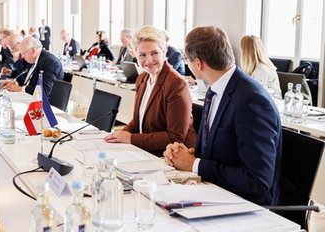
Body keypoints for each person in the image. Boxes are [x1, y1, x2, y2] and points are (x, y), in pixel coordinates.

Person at [163, 26, 281, 206]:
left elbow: (257, 181)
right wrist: (186, 155)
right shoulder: (216, 90)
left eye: (186, 59)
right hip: (213, 191)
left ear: (198, 63)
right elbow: (222, 150)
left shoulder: (252, 101)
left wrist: (194, 164)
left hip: (245, 205)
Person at [104, 25, 196, 157]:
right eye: (142, 55)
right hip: (145, 152)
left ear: (164, 50)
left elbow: (175, 137)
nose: (148, 60)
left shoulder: (176, 84)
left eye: (154, 53)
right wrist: (117, 136)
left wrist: (130, 139)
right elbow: (137, 121)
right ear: (135, 54)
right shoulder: (142, 79)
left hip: (172, 157)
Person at [0, 36, 64, 98]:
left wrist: (20, 88)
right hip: (30, 99)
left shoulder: (49, 62)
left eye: (24, 53)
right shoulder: (32, 60)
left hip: (45, 105)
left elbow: (44, 90)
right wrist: (15, 83)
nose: (22, 57)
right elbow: (30, 83)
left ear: (33, 50)